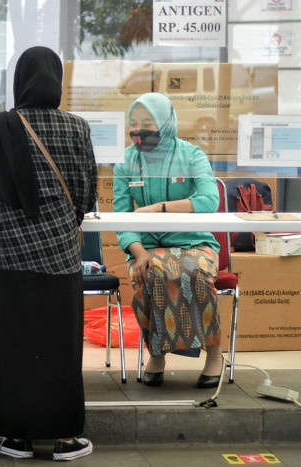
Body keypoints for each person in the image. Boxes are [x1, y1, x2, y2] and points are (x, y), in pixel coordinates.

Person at [0, 46, 97, 461]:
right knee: (61, 346)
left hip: (14, 256)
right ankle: (64, 437)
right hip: (61, 256)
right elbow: (85, 192)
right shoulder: (78, 128)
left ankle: (15, 437)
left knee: (14, 345)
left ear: (19, 79)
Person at [113, 92, 223, 389]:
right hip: (146, 246)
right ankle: (157, 354)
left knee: (196, 272)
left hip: (193, 241)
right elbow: (121, 217)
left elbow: (209, 200)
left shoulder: (191, 155)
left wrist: (158, 208)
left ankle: (214, 354)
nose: (138, 130)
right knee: (149, 273)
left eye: (147, 122)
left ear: (164, 122)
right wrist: (137, 252)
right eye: (133, 123)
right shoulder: (126, 161)